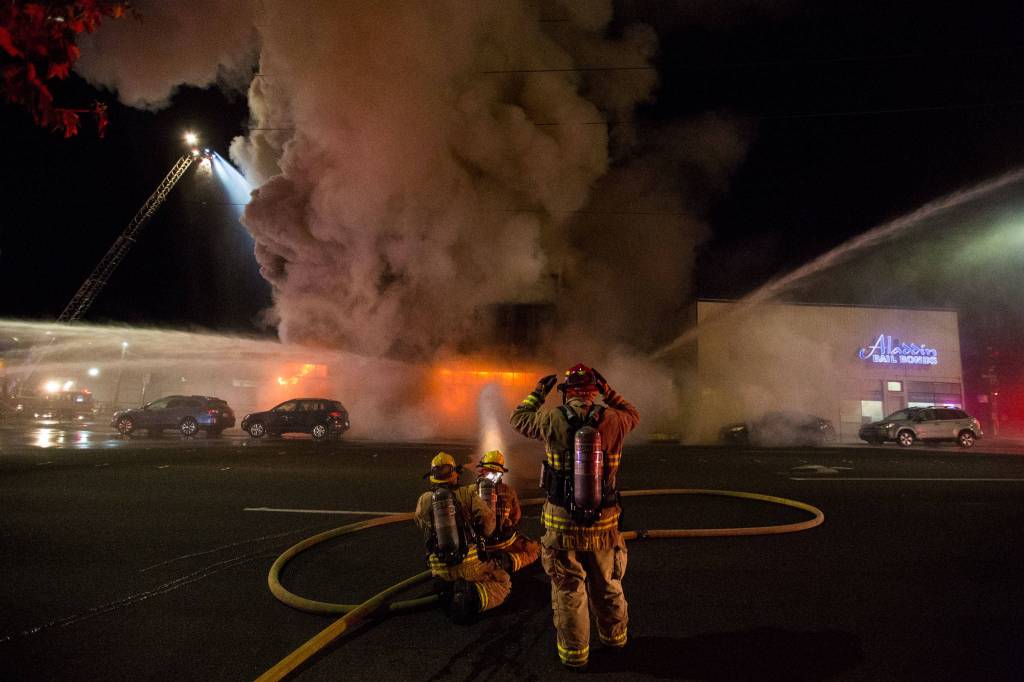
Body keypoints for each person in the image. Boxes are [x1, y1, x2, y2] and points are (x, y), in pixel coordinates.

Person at [510, 364, 640, 671]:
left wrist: (538, 392)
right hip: (604, 525)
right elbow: (633, 412)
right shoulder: (615, 419)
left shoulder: (551, 418)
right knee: (608, 584)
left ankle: (575, 655)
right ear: (594, 391)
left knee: (569, 590)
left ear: (566, 392)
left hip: (561, 525)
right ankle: (615, 639)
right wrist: (610, 390)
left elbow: (518, 419)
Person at [414, 451, 511, 622]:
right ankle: (471, 596)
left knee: (445, 583)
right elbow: (488, 522)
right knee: (503, 582)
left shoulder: (424, 500)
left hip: (440, 569)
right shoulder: (468, 493)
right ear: (455, 476)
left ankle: (446, 585)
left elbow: (421, 525)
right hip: (468, 566)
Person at [474, 449, 540, 573]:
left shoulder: (472, 491)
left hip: (480, 546)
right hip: (505, 543)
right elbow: (516, 517)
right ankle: (509, 562)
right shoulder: (509, 491)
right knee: (534, 550)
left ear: (482, 471)